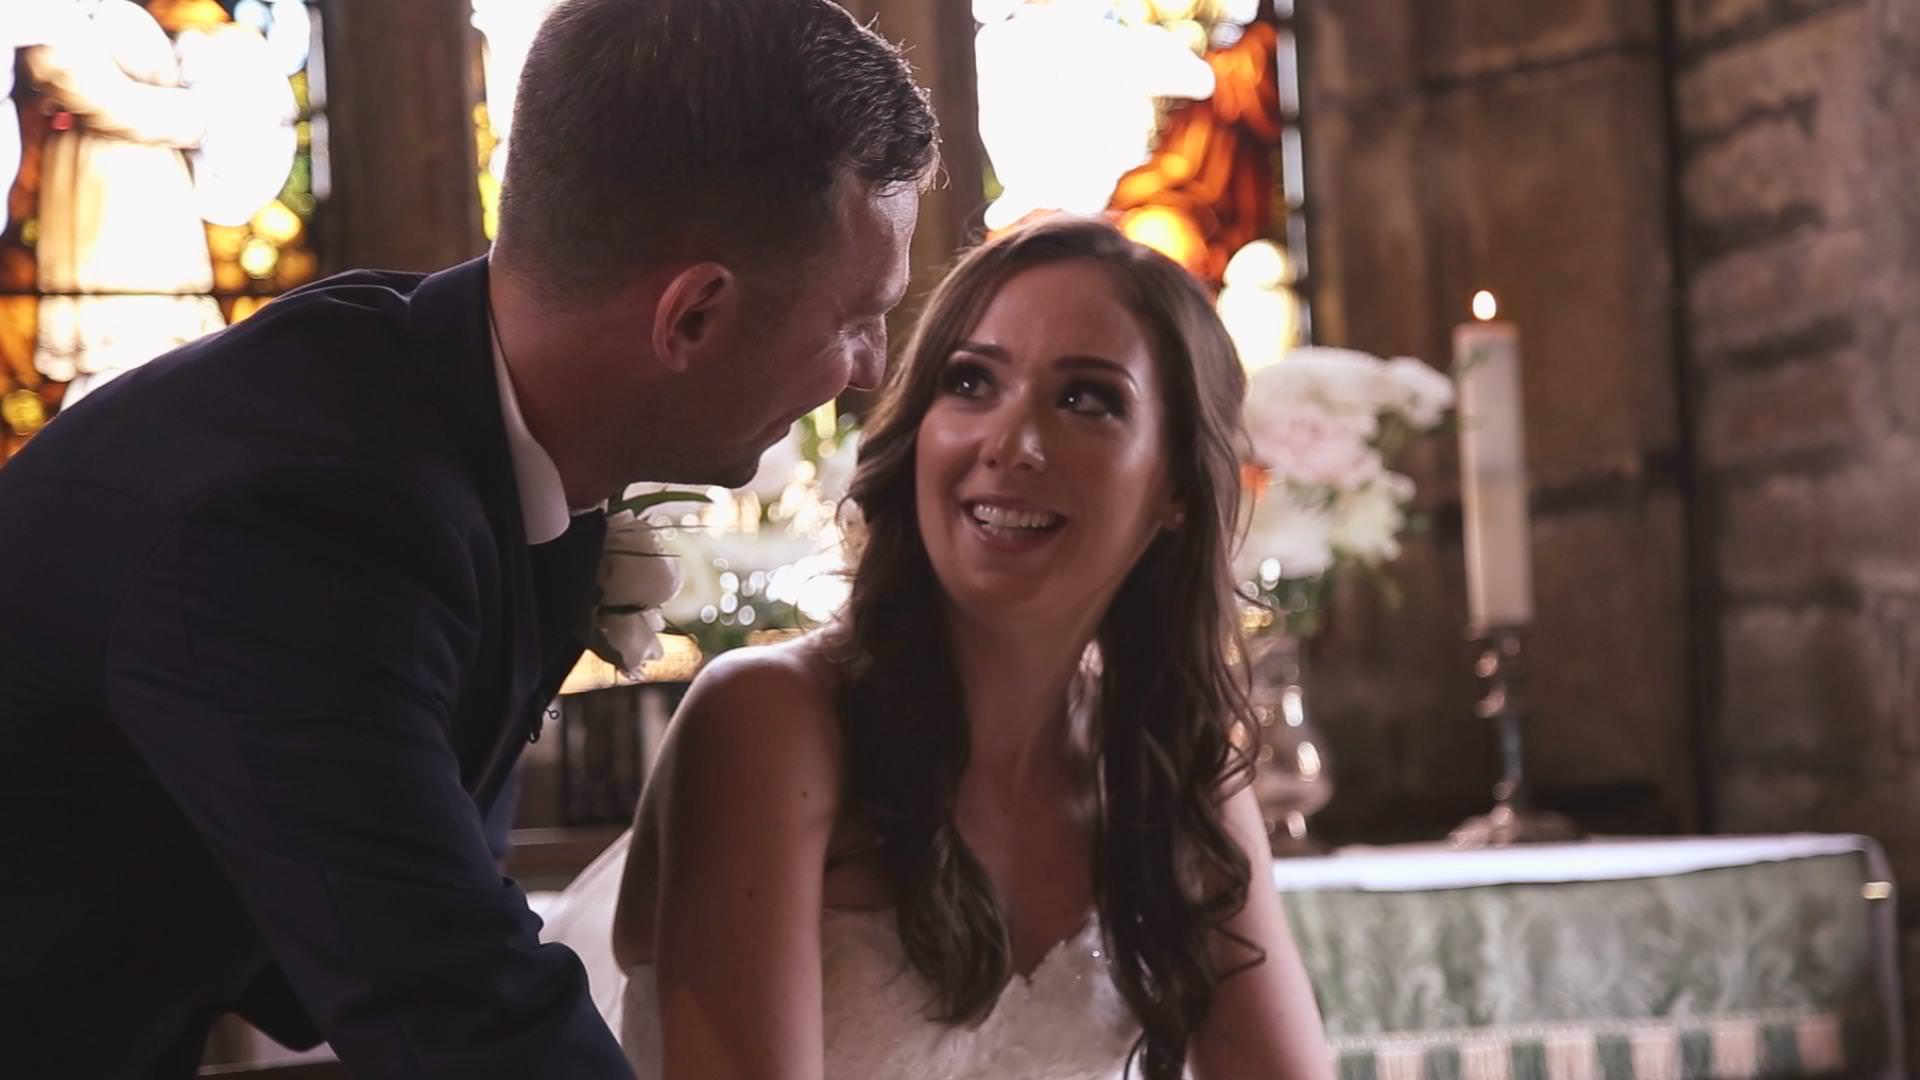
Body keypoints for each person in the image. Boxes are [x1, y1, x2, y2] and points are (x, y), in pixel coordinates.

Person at [0, 0, 934, 1074]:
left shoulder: (459, 424)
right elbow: (457, 1008)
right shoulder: (306, 517)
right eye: (857, 320)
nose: (869, 370)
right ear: (690, 318)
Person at [571, 216, 1333, 1079]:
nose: (1010, 443)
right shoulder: (769, 723)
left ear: (1178, 488)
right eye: (971, 383)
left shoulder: (1170, 766)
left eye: (1088, 399)